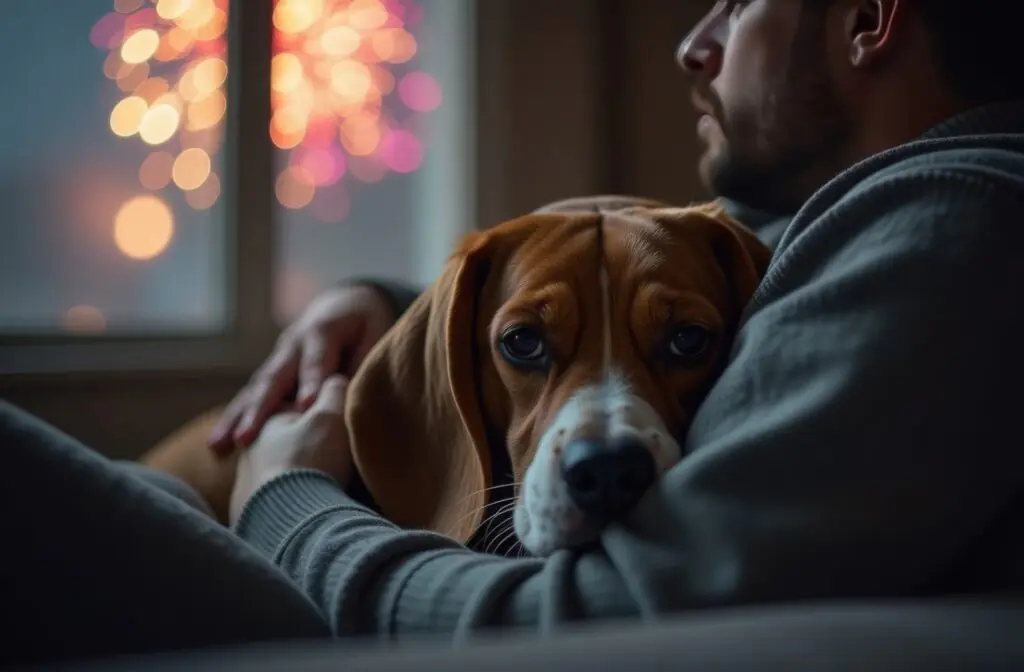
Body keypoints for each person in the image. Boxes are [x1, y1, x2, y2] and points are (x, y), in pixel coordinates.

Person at [4, 0, 1024, 666]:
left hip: (287, 551)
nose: (692, 44)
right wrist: (394, 304)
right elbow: (612, 278)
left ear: (868, 19)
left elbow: (599, 618)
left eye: (739, 1)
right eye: (527, 350)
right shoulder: (834, 230)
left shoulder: (950, 223)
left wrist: (284, 497)